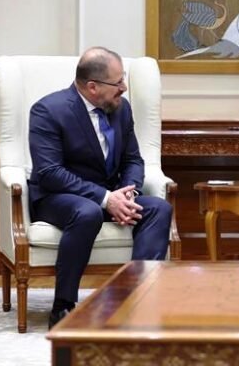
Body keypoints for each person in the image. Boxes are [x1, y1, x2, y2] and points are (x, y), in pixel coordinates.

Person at [28, 47, 172, 329]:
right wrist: (106, 199)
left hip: (110, 194)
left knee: (159, 209)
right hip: (59, 197)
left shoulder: (121, 109)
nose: (124, 87)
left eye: (123, 80)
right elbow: (50, 172)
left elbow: (132, 159)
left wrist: (128, 193)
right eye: (118, 82)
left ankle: (137, 300)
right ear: (92, 87)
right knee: (87, 212)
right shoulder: (48, 111)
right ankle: (63, 306)